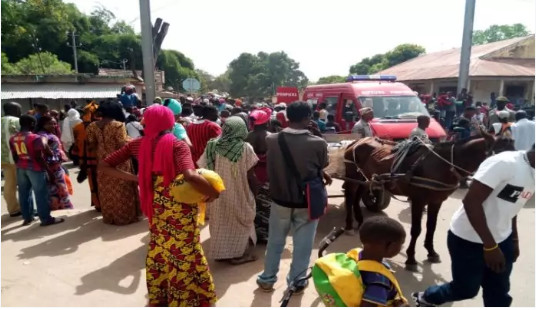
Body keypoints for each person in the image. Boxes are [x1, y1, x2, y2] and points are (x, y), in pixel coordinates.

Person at [101, 105, 219, 306]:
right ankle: (186, 298)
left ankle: (162, 294)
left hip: (154, 200)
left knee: (161, 245)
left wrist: (137, 178)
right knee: (185, 248)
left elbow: (104, 166)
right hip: (178, 201)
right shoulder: (177, 145)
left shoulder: (137, 144)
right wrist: (213, 193)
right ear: (169, 121)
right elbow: (190, 176)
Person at [413, 146, 535, 307]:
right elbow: (471, 202)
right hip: (468, 239)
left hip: (502, 240)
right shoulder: (504, 164)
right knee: (466, 289)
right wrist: (490, 247)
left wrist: (513, 238)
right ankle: (428, 297)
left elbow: (513, 204)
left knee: (499, 292)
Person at [257, 101, 331, 292]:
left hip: (279, 200)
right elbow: (322, 164)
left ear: (288, 117)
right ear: (308, 118)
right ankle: (296, 282)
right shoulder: (318, 143)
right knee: (303, 245)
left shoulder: (271, 139)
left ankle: (267, 278)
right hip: (306, 202)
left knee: (275, 241)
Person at [198, 116, 259, 264]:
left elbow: (202, 168)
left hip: (216, 193)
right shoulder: (245, 148)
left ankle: (222, 252)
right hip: (239, 192)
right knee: (241, 220)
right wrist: (256, 190)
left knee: (220, 222)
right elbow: (251, 174)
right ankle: (238, 255)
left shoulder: (212, 145)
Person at [86, 102, 139, 225]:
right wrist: (134, 140)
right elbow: (123, 144)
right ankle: (124, 217)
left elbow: (91, 146)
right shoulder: (118, 125)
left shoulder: (91, 126)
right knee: (122, 189)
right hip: (119, 162)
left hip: (102, 163)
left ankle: (110, 217)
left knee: (106, 190)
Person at [9, 115, 65, 226]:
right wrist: (49, 171)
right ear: (33, 124)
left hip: (21, 168)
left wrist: (19, 166)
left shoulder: (13, 138)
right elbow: (39, 157)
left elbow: (15, 156)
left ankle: (27, 218)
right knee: (41, 194)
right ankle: (45, 219)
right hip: (35, 168)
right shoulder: (35, 138)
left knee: (24, 193)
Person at [358, 216, 408, 307]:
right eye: (401, 244)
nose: (401, 248)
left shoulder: (357, 254)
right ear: (391, 247)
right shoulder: (379, 281)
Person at [36, 116, 74, 210]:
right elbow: (43, 142)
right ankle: (65, 207)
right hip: (51, 167)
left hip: (55, 165)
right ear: (43, 124)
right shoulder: (43, 134)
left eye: (54, 123)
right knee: (60, 188)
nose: (53, 125)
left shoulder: (49, 133)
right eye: (50, 123)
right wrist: (48, 150)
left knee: (55, 188)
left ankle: (57, 207)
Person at [246, 109, 272, 242]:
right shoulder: (271, 136)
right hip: (268, 175)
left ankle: (253, 235)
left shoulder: (248, 136)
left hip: (251, 173)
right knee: (267, 206)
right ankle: (265, 235)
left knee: (252, 203)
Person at [73, 101, 101, 210]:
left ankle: (97, 204)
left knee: (93, 181)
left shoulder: (78, 127)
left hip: (84, 159)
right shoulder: (100, 126)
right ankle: (101, 203)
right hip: (98, 158)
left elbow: (76, 145)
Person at [1, 102, 22, 217]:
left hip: (3, 159)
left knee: (9, 183)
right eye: (19, 109)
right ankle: (27, 207)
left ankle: (13, 209)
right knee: (24, 184)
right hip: (18, 158)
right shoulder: (17, 121)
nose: (20, 112)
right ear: (14, 110)